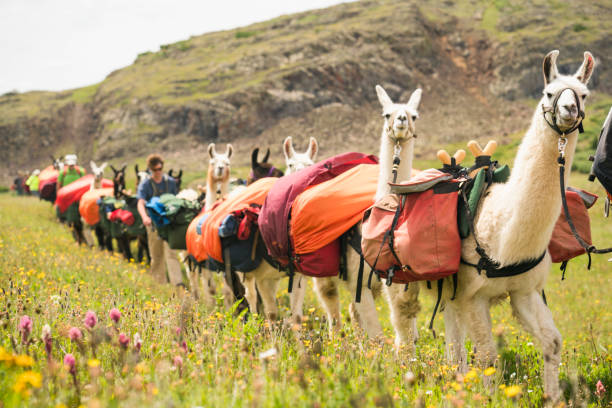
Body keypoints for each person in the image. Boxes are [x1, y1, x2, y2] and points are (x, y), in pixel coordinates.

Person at [136, 154, 183, 287]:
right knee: (156, 256)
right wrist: (145, 217)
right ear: (150, 170)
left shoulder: (170, 182)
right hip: (153, 224)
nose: (158, 172)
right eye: (155, 169)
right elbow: (140, 202)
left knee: (172, 253)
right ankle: (159, 284)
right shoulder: (145, 184)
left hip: (169, 224)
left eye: (160, 168)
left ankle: (177, 283)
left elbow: (176, 199)